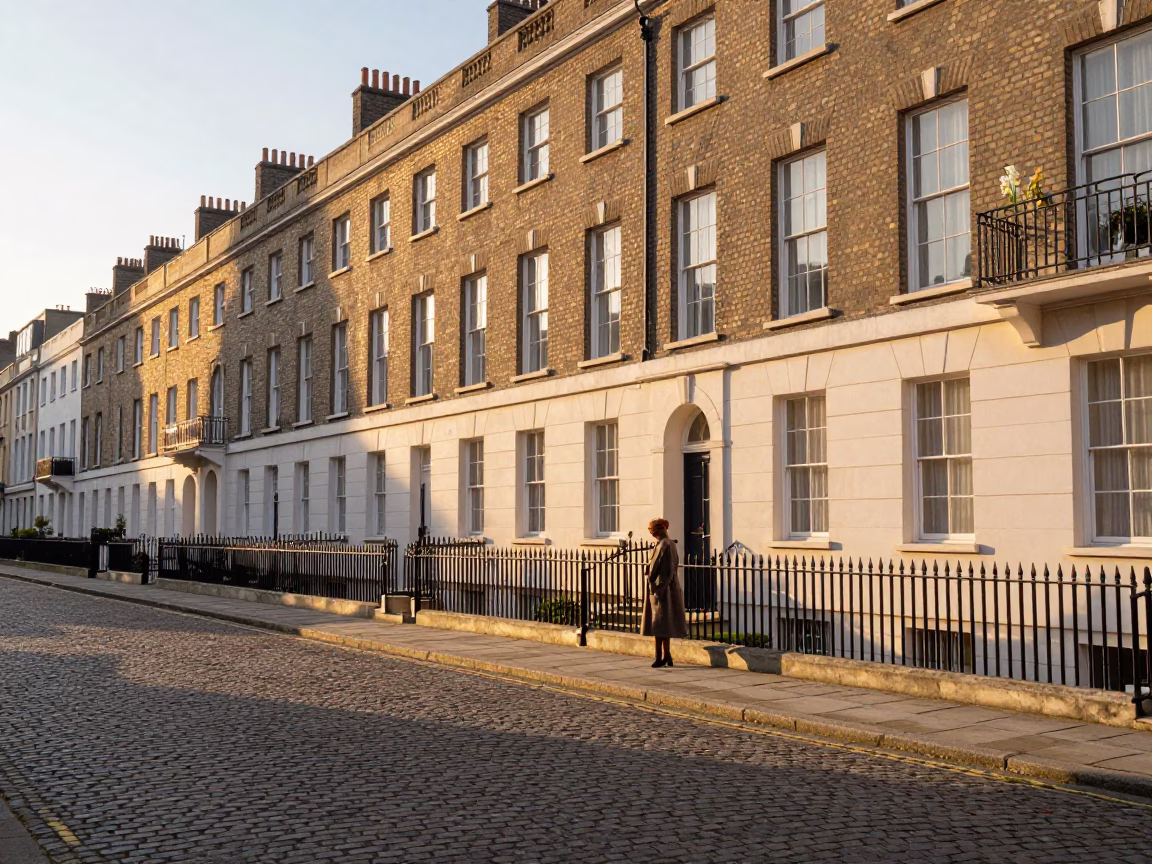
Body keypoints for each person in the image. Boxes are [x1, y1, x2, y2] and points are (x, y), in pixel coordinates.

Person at [641, 518, 687, 667]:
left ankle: (659, 657)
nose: (650, 533)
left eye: (651, 529)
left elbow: (658, 569)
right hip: (667, 588)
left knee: (658, 624)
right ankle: (666, 655)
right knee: (663, 625)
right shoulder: (669, 544)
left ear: (657, 530)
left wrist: (653, 582)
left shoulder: (664, 545)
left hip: (661, 589)